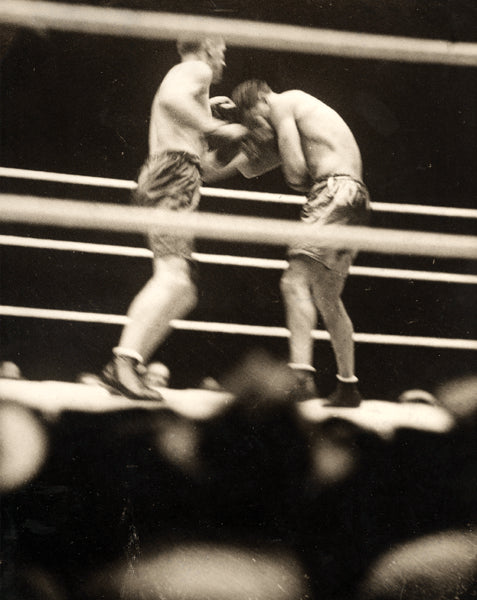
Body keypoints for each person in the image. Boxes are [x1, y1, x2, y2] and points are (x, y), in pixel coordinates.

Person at [209, 80, 371, 406]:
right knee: (327, 297)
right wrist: (224, 131)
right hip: (355, 198)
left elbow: (296, 174)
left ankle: (300, 378)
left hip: (334, 191)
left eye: (255, 119)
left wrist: (257, 134)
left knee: (293, 282)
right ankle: (348, 386)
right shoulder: (298, 125)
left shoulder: (284, 102)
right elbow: (234, 170)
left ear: (260, 101)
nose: (259, 127)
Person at [102, 37, 247, 400]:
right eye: (223, 50)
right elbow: (171, 101)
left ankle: (126, 364)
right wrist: (217, 127)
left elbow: (175, 108)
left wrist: (207, 110)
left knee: (183, 291)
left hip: (173, 175)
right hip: (172, 175)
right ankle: (123, 363)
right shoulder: (196, 69)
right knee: (172, 278)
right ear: (209, 47)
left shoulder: (186, 76)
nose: (224, 58)